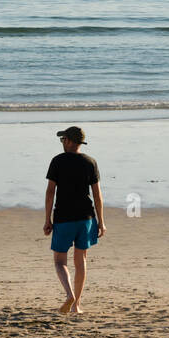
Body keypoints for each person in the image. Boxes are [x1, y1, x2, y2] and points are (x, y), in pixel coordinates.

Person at [43, 126, 105, 315]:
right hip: (86, 218)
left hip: (64, 218)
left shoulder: (57, 161)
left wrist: (47, 219)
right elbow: (97, 194)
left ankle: (69, 295)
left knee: (60, 261)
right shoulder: (90, 162)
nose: (62, 143)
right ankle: (77, 305)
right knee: (81, 260)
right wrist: (101, 221)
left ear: (69, 141)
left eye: (63, 140)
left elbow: (50, 191)